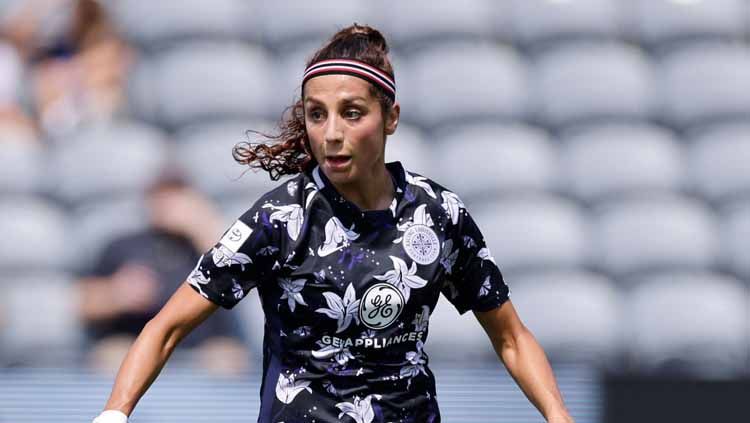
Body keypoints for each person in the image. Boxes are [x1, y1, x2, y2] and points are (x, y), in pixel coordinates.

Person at [93, 24, 575, 423]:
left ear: (391, 118)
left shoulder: (439, 215)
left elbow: (511, 337)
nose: (332, 134)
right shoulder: (279, 220)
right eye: (317, 116)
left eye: (352, 113)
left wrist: (558, 416)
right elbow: (167, 327)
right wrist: (114, 414)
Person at [78, 171, 249, 375]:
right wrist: (117, 295)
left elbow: (243, 277)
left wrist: (202, 228)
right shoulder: (123, 245)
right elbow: (84, 303)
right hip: (136, 343)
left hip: (202, 348)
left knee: (227, 358)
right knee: (112, 353)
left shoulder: (206, 244)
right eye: (163, 197)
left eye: (178, 197)